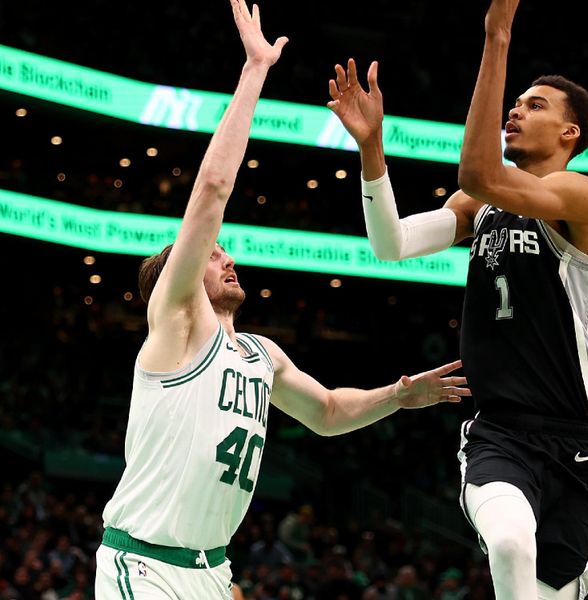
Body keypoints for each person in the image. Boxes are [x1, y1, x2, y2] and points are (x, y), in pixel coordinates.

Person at [93, 2, 470, 598]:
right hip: (144, 564)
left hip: (212, 568)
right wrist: (255, 70)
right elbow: (214, 189)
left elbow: (325, 412)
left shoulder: (259, 354)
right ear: (181, 279)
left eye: (223, 252)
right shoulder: (176, 325)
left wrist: (399, 396)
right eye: (213, 255)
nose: (227, 257)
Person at [326, 0, 588, 597]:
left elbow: (481, 173)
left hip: (583, 446)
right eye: (516, 102)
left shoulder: (581, 197)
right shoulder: (479, 208)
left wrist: (497, 31)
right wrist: (371, 147)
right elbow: (391, 245)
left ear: (571, 134)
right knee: (510, 543)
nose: (515, 109)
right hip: (499, 434)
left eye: (534, 105)